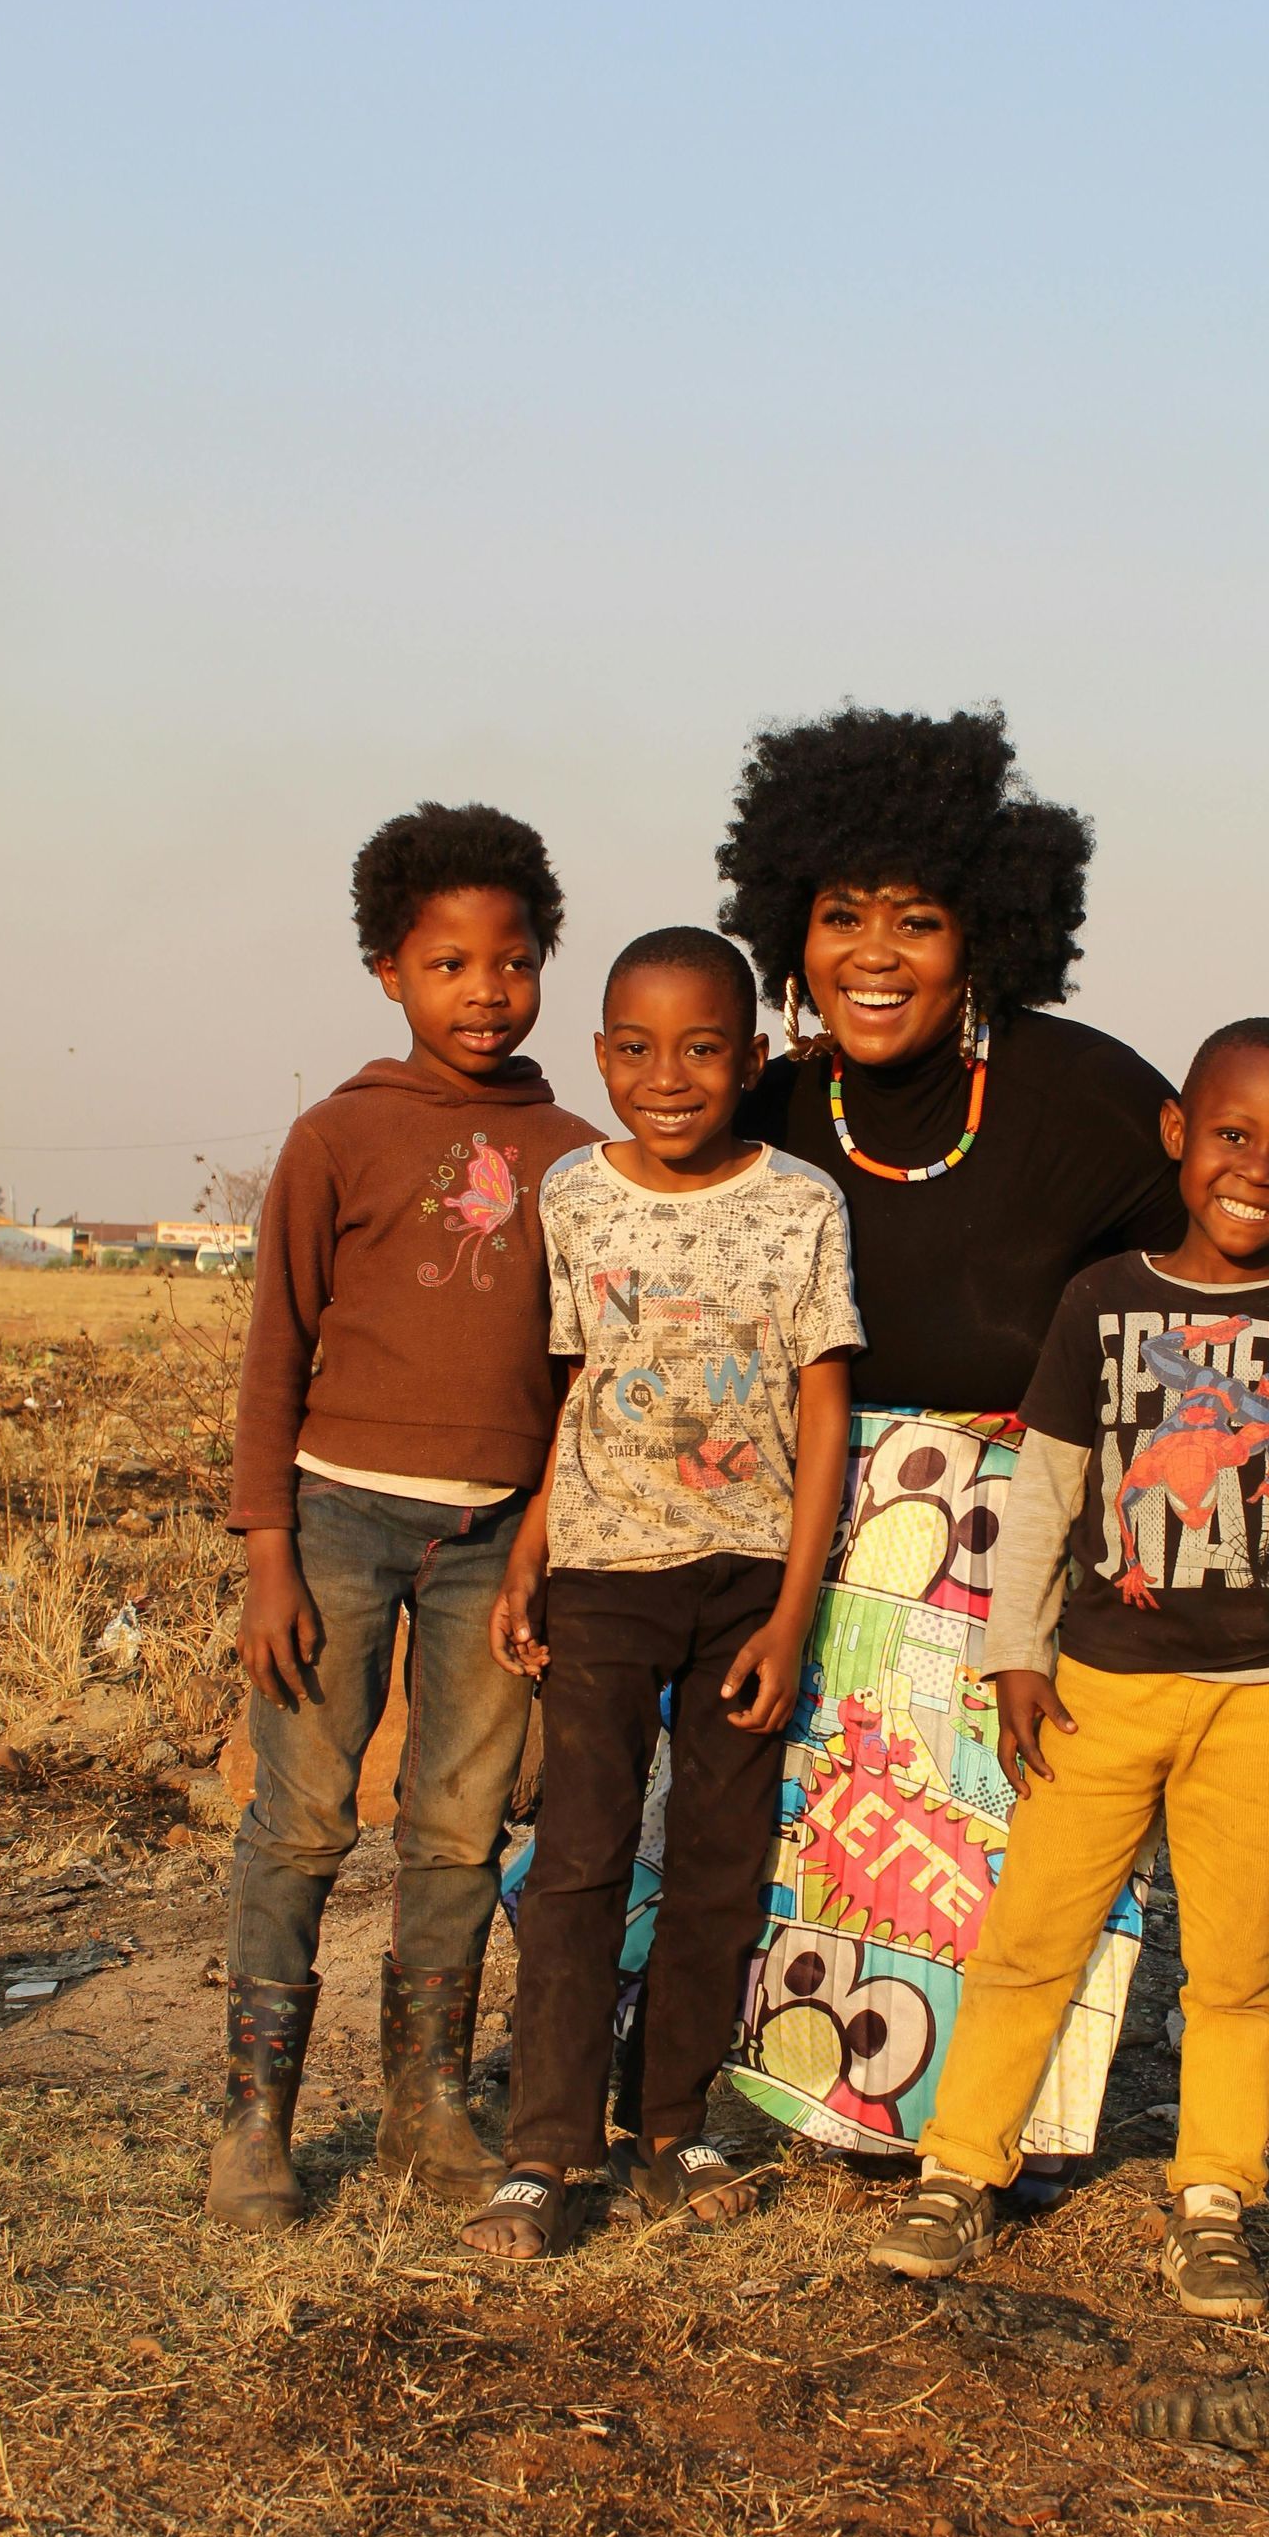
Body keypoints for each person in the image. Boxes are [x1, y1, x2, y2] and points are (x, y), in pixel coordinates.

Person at [867, 1019, 1269, 2313]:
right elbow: (1048, 1492)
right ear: (1178, 1132)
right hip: (1099, 1691)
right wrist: (1017, 1653)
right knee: (1030, 1939)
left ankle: (1216, 2199)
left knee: (1240, 1969)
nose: (1259, 1170)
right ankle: (959, 2169)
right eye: (1233, 1134)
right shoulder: (1103, 1303)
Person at [710, 704, 1187, 2165]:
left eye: (917, 920)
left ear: (985, 934)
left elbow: (1214, 1282)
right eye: (840, 915)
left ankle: (1000, 2125)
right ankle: (797, 2098)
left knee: (1014, 1842)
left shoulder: (1090, 1098)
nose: (874, 954)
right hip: (809, 1538)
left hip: (1017, 1553)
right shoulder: (763, 1108)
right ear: (788, 929)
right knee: (807, 1839)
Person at [209, 802, 599, 2233]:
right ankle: (255, 2122)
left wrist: (543, 1543)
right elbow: (275, 1349)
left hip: (497, 1544)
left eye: (513, 961)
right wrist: (267, 1552)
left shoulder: (579, 1155)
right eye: (448, 965)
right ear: (388, 971)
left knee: (459, 1825)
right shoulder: (338, 1135)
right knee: (304, 1819)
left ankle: (425, 2108)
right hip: (337, 1525)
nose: (485, 991)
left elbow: (581, 1375)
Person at [460, 929, 861, 2262]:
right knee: (577, 1861)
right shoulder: (572, 1194)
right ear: (600, 1056)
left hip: (747, 1583)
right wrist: (531, 1550)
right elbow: (574, 1384)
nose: (668, 1077)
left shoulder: (802, 1202)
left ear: (750, 1060)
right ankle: (546, 2149)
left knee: (717, 1865)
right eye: (636, 1049)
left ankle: (672, 2124)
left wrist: (794, 1613)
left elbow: (823, 1403)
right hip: (605, 1575)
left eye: (701, 1049)